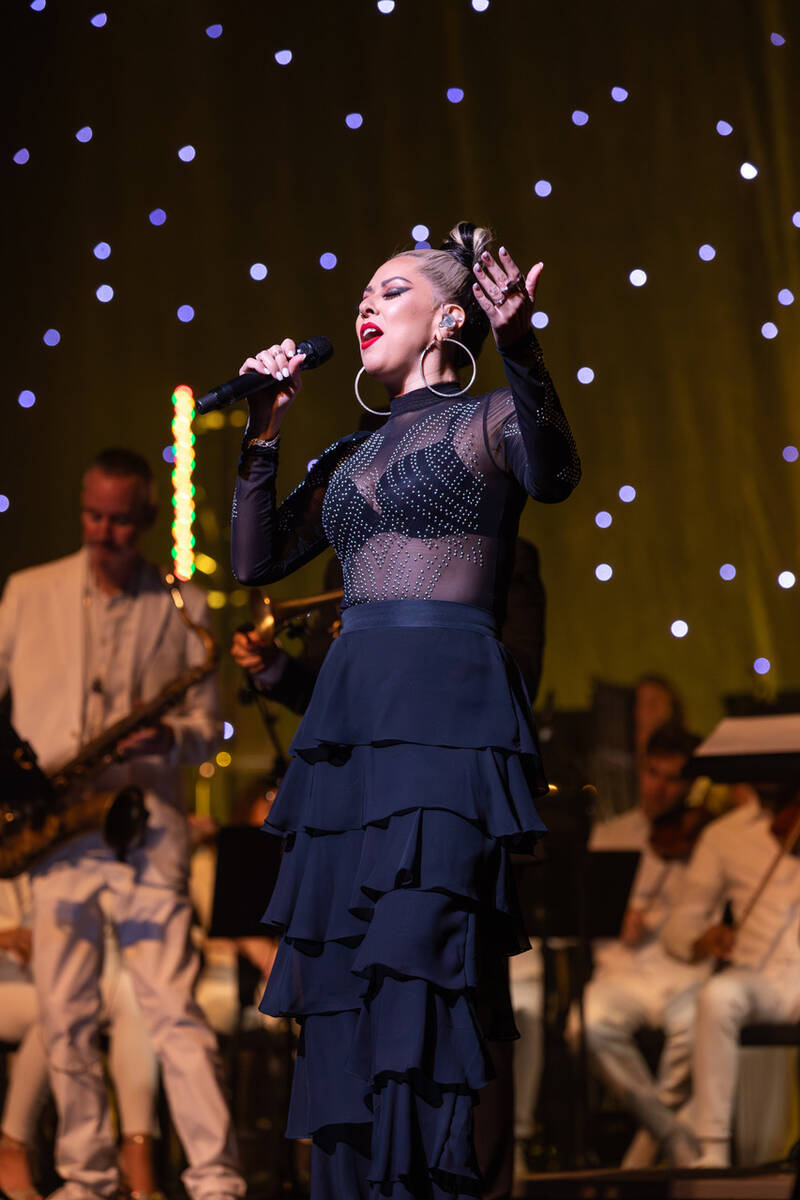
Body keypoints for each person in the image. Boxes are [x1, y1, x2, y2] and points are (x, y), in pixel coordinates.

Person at [229, 222, 581, 1199]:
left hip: (445, 725)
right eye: (363, 295)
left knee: (420, 969)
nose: (365, 306)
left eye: (389, 291)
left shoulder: (487, 419)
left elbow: (553, 473)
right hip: (349, 737)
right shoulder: (348, 453)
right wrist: (264, 428)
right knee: (344, 983)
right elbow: (257, 558)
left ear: (448, 317)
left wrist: (524, 345)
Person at [0, 448, 245, 1200]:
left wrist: (170, 738)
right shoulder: (27, 592)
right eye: (92, 516)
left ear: (145, 521)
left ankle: (215, 1178)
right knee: (65, 1014)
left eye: (120, 522)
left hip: (146, 824)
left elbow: (209, 727)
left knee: (172, 1011)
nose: (103, 534)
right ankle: (86, 1176)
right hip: (57, 826)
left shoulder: (184, 605)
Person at [581, 723, 709, 1167]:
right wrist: (614, 922)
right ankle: (671, 1136)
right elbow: (589, 924)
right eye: (653, 773)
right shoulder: (610, 834)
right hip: (623, 971)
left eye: (674, 778)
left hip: (683, 975)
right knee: (587, 1025)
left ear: (690, 783)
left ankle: (642, 1151)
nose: (661, 788)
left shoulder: (707, 838)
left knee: (700, 1023)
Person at [662, 780, 800, 1168]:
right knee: (716, 996)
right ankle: (714, 1147)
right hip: (761, 974)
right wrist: (702, 937)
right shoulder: (725, 835)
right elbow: (679, 925)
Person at [0, 876, 160, 1200]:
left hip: (60, 977)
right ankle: (12, 1144)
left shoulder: (65, 858)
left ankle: (136, 1151)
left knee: (130, 994)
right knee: (58, 1009)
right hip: (9, 985)